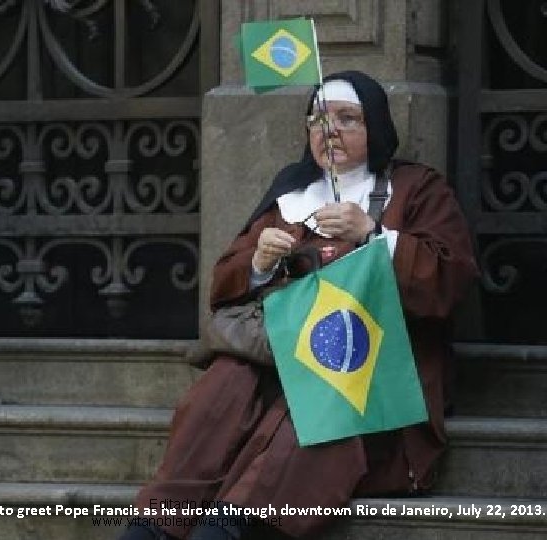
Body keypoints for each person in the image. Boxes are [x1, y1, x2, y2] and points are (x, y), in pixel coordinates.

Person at [117, 71, 478, 540]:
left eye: (347, 119)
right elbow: (225, 280)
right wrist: (260, 262)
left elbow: (452, 278)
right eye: (318, 120)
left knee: (319, 402)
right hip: (279, 356)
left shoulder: (416, 189)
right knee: (224, 385)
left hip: (364, 365)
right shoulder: (290, 193)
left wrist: (372, 235)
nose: (329, 132)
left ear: (377, 128)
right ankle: (159, 523)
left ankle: (236, 528)